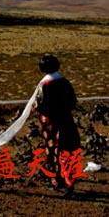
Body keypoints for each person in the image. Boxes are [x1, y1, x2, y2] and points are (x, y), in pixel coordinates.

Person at [36, 54, 81, 195]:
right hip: (67, 121)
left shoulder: (45, 85)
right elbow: (73, 101)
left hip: (51, 125)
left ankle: (57, 180)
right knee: (68, 150)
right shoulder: (65, 82)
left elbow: (41, 105)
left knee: (53, 152)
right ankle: (70, 181)